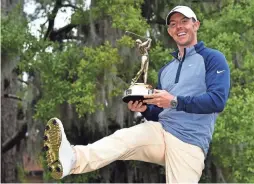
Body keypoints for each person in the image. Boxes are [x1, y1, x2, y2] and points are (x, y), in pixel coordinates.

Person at [43, 5, 230, 183]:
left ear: (195, 25)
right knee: (122, 139)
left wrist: (174, 101)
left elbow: (217, 101)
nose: (178, 27)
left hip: (189, 142)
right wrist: (146, 110)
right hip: (161, 132)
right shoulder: (166, 70)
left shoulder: (212, 58)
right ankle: (72, 159)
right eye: (173, 24)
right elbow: (162, 112)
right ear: (169, 31)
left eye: (184, 21)